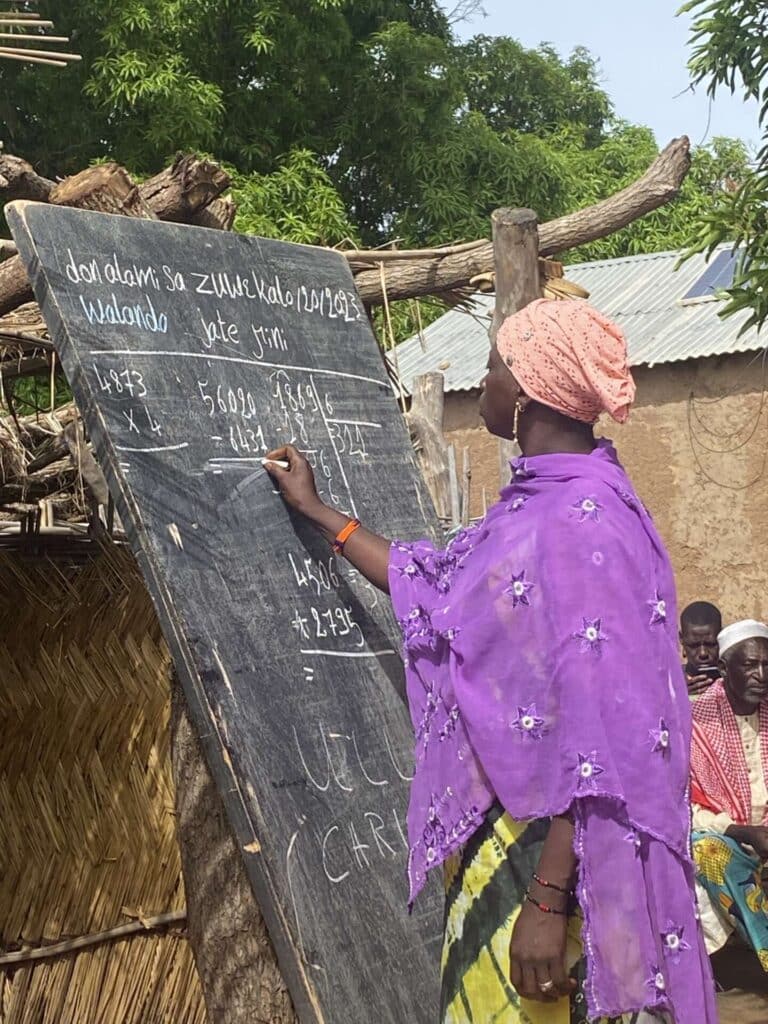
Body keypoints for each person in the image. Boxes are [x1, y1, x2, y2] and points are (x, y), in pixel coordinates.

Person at [266, 298, 716, 1023]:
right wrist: (321, 513)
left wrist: (546, 897)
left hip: (551, 859)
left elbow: (600, 735)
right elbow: (435, 584)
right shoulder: (534, 512)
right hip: (515, 843)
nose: (484, 384)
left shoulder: (579, 524)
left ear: (532, 392)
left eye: (495, 368)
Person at [691, 619, 768, 977]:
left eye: (767, 665)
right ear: (724, 668)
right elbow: (684, 809)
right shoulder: (695, 721)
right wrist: (744, 832)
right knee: (708, 851)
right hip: (731, 840)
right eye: (750, 665)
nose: (761, 675)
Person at [680, 602, 723, 698]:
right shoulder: (669, 684)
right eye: (693, 645)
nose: (703, 653)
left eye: (711, 644)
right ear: (681, 640)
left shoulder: (735, 681)